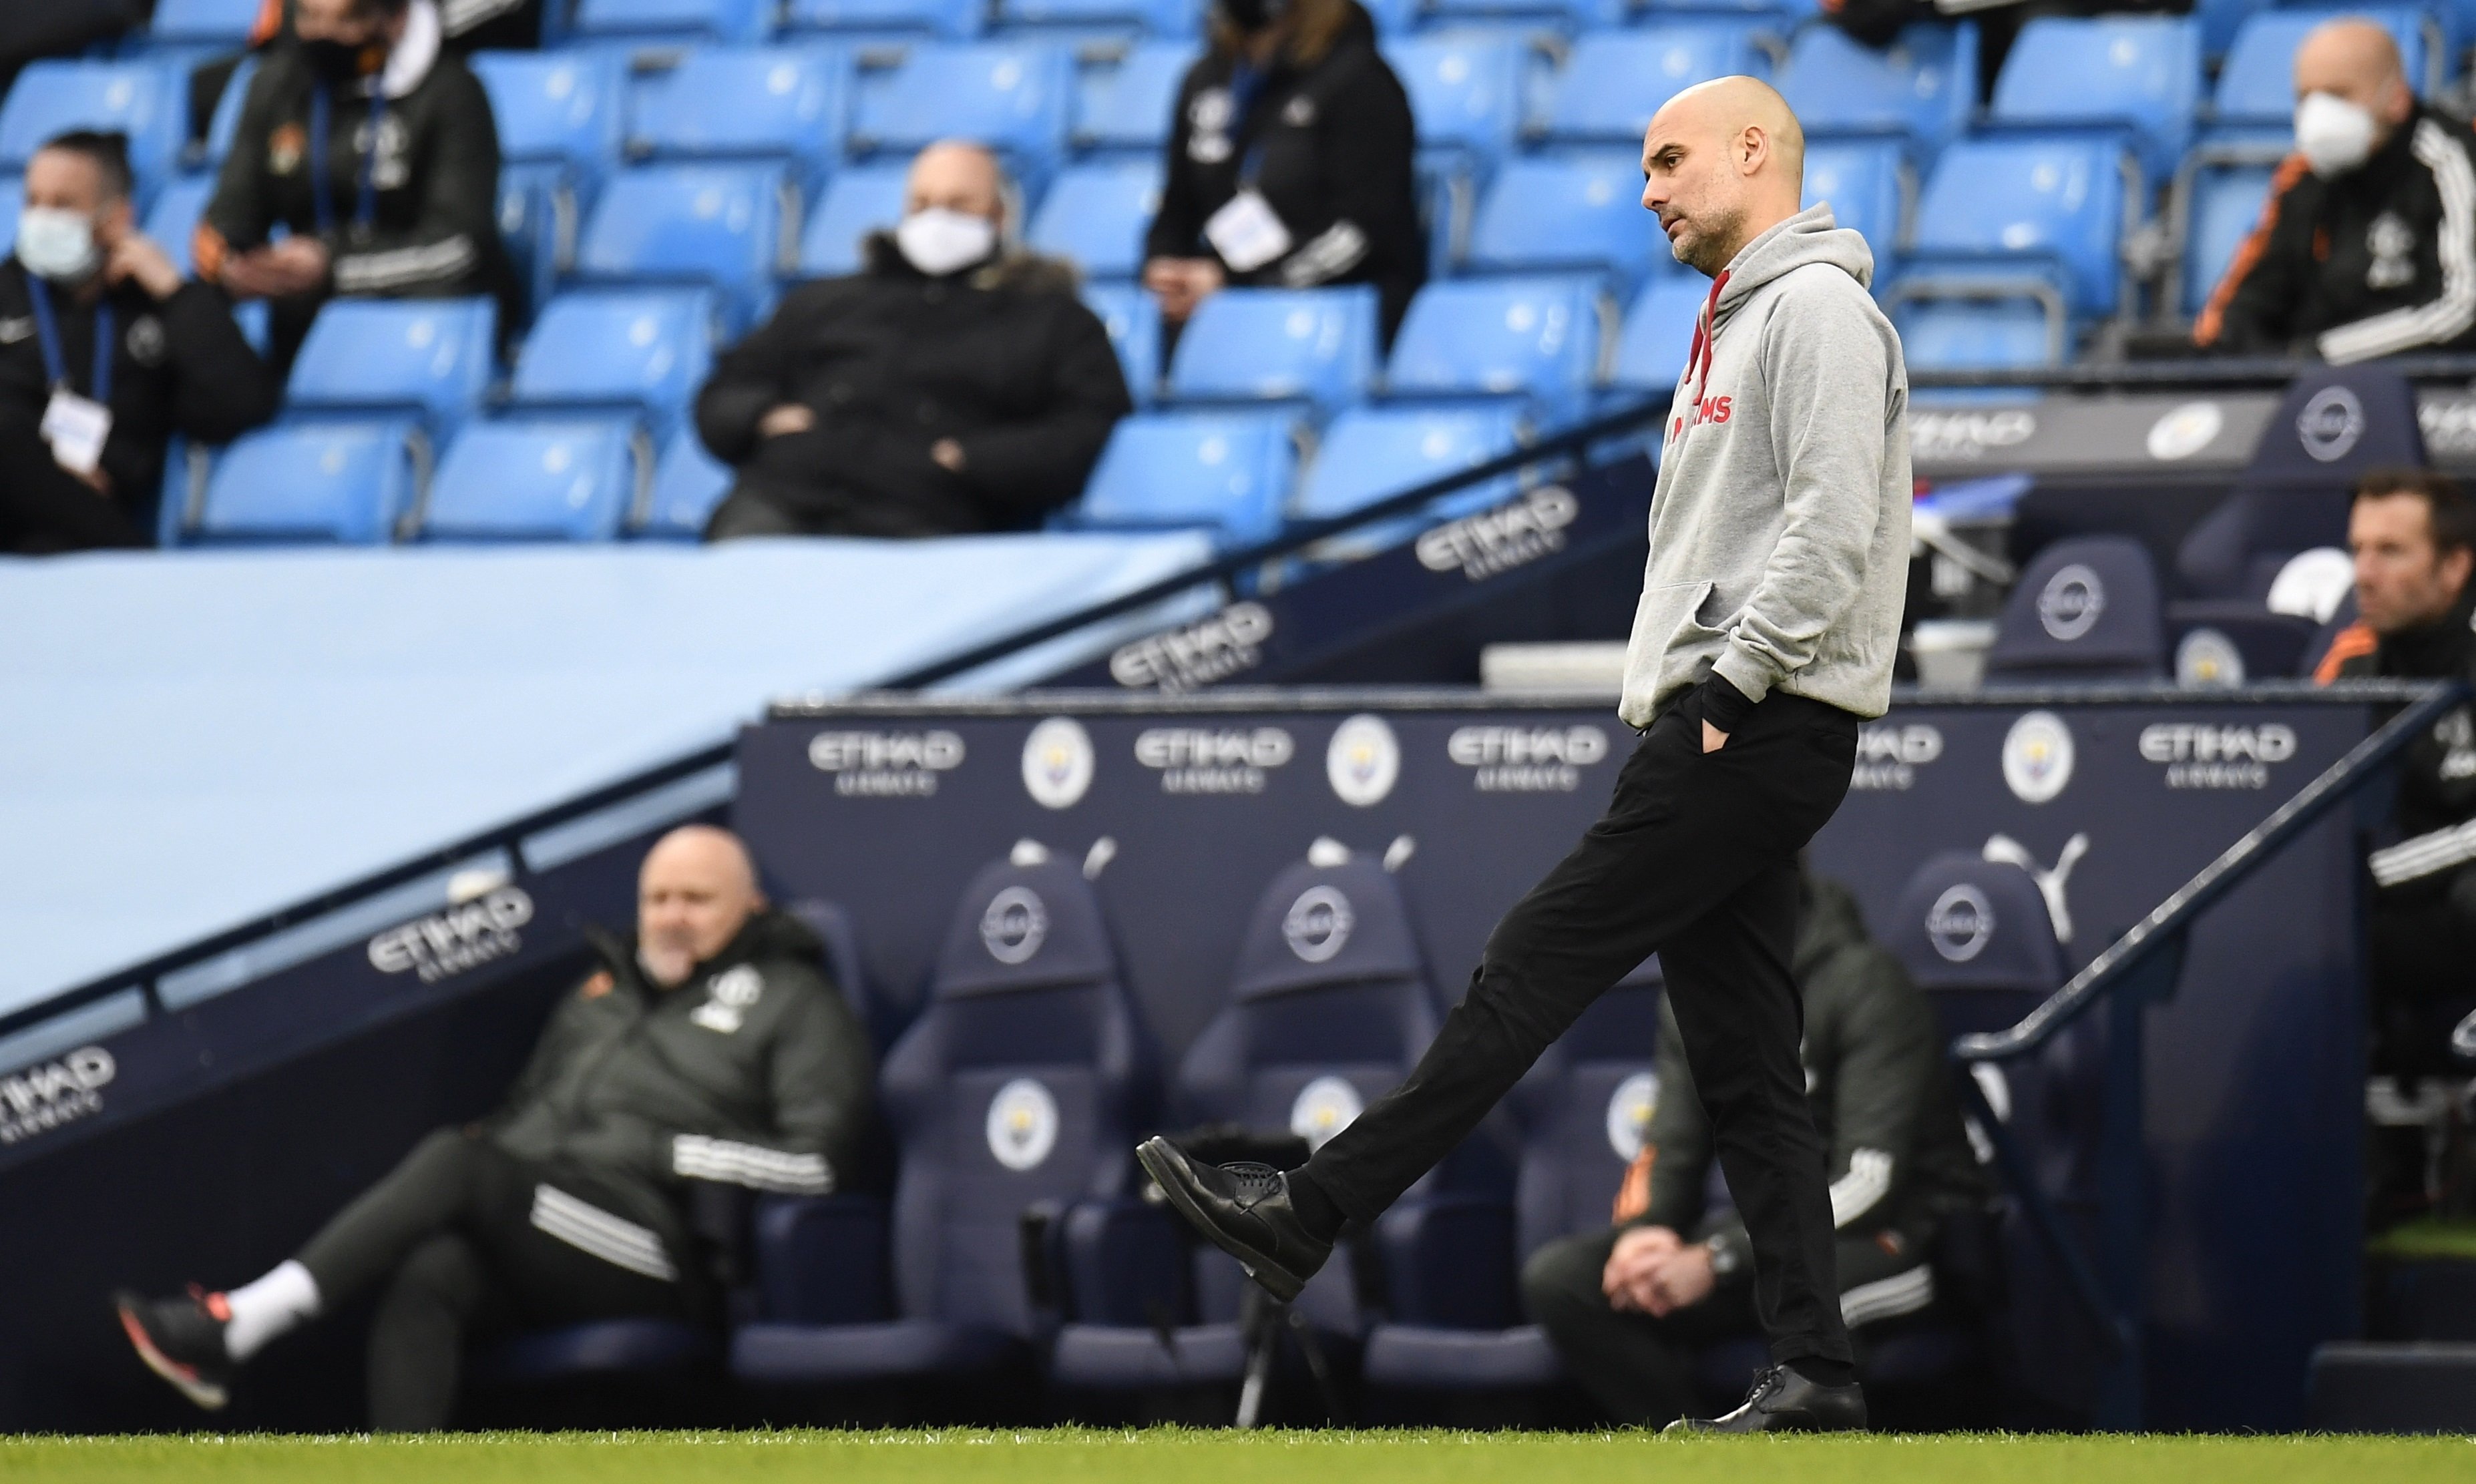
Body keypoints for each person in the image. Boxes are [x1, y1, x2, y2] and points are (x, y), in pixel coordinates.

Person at [1137, 77, 1911, 1434]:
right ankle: (1819, 1375)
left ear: (1755, 149)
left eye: (1670, 159)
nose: (1651, 188)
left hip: (1752, 717)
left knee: (1529, 961)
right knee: (1747, 1071)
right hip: (1750, 720)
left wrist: (1727, 688)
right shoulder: (1750, 317)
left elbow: (1835, 524)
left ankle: (1313, 1210)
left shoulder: (1815, 311)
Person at [112, 826, 876, 1430]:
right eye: (658, 899)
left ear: (751, 907)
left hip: (655, 1250)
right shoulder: (594, 999)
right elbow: (523, 1119)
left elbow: (820, 1166)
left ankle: (240, 1326)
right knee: (433, 1272)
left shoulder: (794, 999)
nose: (672, 917)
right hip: (547, 1226)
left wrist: (665, 1152)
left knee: (458, 1161)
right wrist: (499, 1162)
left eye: (697, 900)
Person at [1521, 873, 1983, 1427]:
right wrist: (1646, 1230)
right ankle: (1694, 1457)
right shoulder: (1696, 992)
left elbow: (1870, 1183)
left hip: (1896, 1237)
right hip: (1765, 1246)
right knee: (1566, 1280)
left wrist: (1721, 1259)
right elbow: (1672, 1145)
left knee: (1799, 1294)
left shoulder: (1865, 983)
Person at [694, 140, 1131, 541]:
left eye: (959, 205)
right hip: (783, 501)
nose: (937, 219)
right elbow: (723, 392)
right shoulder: (825, 301)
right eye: (921, 204)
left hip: (930, 518)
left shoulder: (1051, 319)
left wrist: (972, 460)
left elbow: (1085, 426)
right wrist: (761, 415)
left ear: (1000, 216)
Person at [2312, 469, 2476, 1220]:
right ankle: (2346, 1184)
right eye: (2358, 550)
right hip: (2400, 906)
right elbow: (2302, 803)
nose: (2365, 574)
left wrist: (2364, 879)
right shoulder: (2351, 659)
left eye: (2391, 552)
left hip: (2449, 899)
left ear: (2455, 565)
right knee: (2300, 931)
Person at [194, 0, 515, 374]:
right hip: (305, 331)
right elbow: (230, 213)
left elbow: (459, 248)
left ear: (395, 18)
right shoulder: (276, 85)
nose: (323, 37)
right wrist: (237, 266)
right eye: (309, 17)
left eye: (347, 21)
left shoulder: (453, 93)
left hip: (420, 324)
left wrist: (333, 266)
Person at [1, 131, 279, 553]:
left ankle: (132, 563)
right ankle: (135, 560)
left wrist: (175, 293)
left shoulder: (151, 308)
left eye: (61, 205)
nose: (41, 219)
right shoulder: (7, 290)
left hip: (81, 531)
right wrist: (50, 465)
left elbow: (241, 403)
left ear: (115, 218)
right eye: (33, 202)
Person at [1141, 0, 1424, 346]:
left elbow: (1362, 236)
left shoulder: (1361, 82)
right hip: (1223, 316)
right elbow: (1176, 213)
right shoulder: (1206, 82)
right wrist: (1165, 272)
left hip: (1332, 317)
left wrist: (1233, 284)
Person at [2194, 18, 2476, 363]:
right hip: (2308, 392)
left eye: (2338, 93)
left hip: (2429, 392)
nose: (2318, 112)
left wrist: (2322, 354)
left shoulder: (2450, 159)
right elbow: (2237, 312)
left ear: (2397, 99)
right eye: (2304, 97)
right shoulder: (2302, 177)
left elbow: (2463, 309)